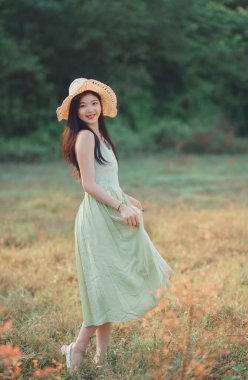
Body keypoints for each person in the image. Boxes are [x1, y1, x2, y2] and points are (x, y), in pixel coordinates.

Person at [56, 78, 173, 373]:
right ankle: (77, 349)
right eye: (83, 106)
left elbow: (107, 181)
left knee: (109, 285)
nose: (90, 109)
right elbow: (89, 185)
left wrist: (126, 197)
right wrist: (120, 205)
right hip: (99, 218)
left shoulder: (101, 137)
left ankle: (102, 357)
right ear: (75, 111)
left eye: (94, 103)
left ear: (101, 106)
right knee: (102, 288)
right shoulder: (84, 138)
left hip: (110, 210)